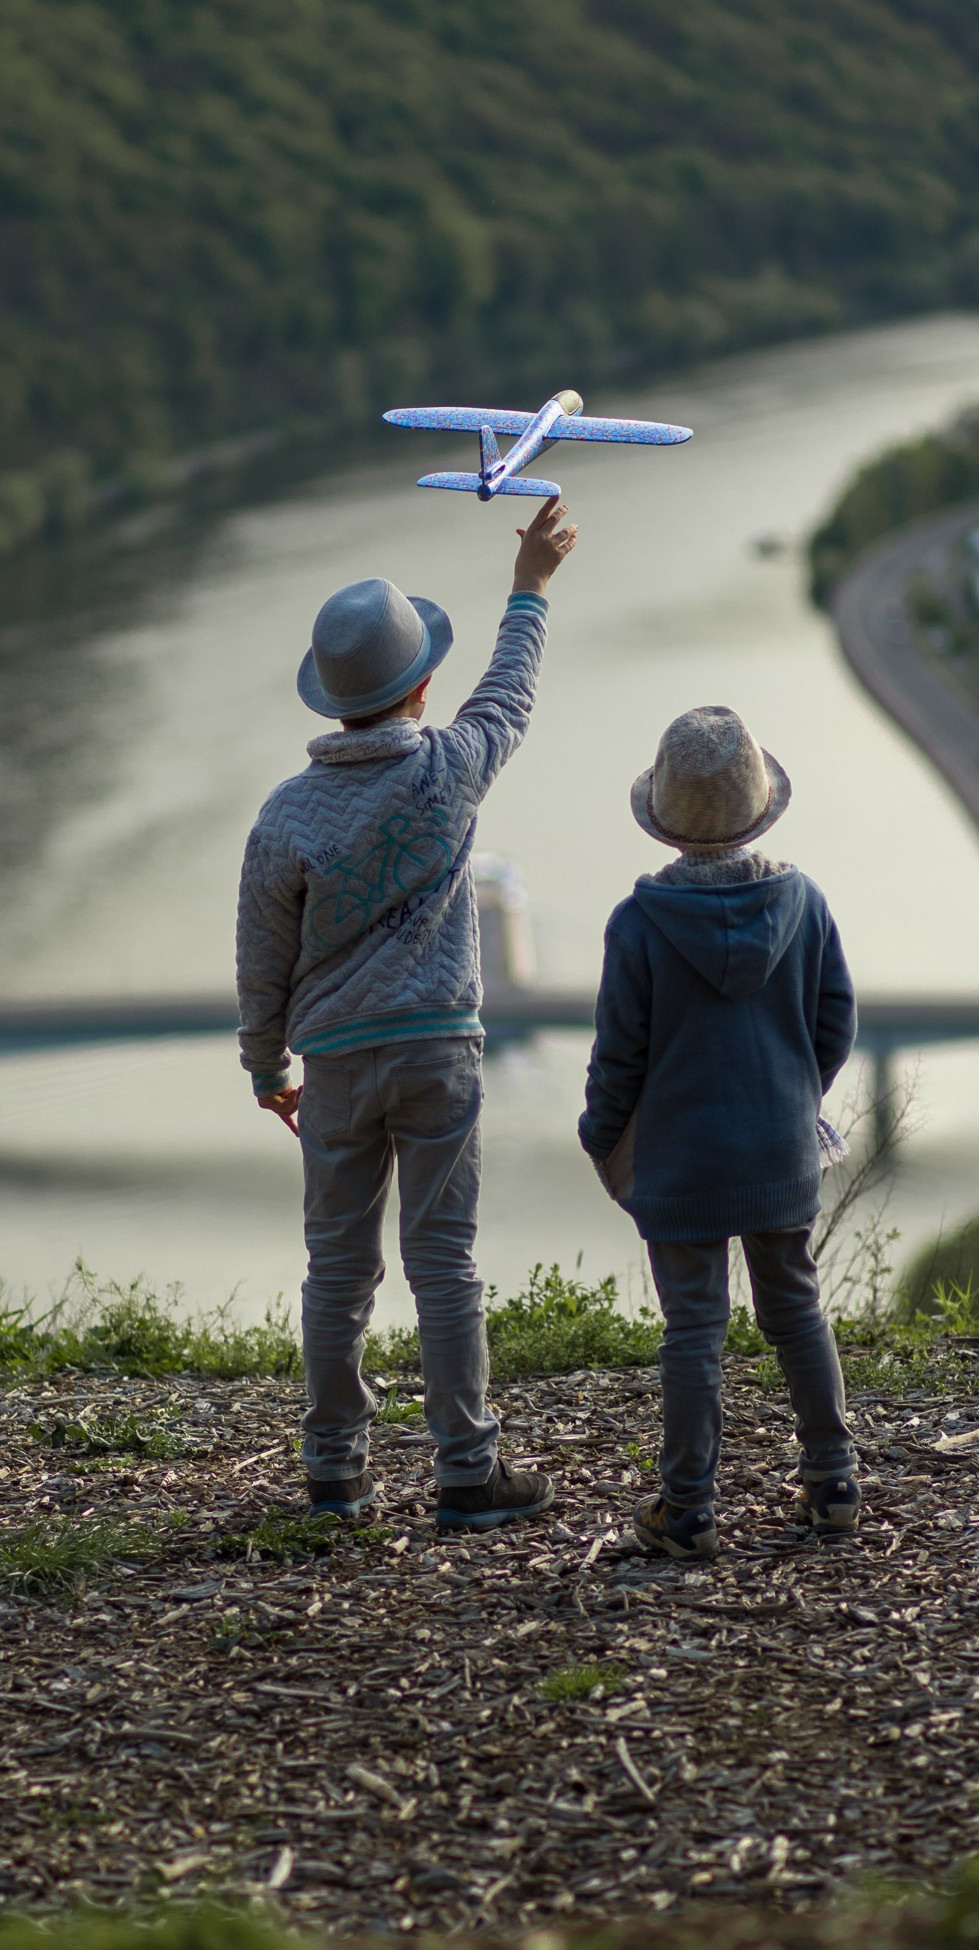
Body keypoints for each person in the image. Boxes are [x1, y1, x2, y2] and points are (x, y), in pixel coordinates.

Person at [236, 496, 577, 1530]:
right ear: (421, 683)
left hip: (334, 1063)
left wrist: (267, 1069)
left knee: (337, 1267)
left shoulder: (284, 816)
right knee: (445, 1261)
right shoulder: (448, 767)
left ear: (332, 697)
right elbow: (509, 694)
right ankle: (467, 1469)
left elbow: (262, 960)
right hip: (439, 1055)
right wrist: (529, 584)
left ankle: (334, 1473)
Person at [578, 706, 860, 1560]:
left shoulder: (639, 923)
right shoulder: (802, 901)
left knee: (693, 1330)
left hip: (681, 1160)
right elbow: (834, 1020)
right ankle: (833, 1480)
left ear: (666, 819)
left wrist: (601, 1136)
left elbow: (617, 1056)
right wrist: (788, 1097)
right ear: (758, 807)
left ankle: (688, 1508)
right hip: (779, 1149)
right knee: (795, 1308)